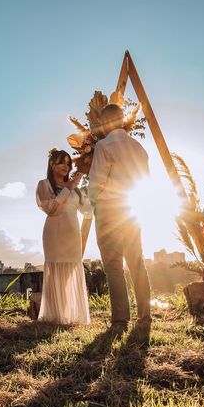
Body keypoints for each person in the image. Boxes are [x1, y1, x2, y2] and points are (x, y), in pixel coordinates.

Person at [88, 104, 152, 328]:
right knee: (137, 263)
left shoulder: (104, 146)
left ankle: (120, 319)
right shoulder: (139, 147)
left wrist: (93, 203)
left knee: (114, 265)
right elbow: (145, 181)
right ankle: (145, 316)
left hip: (109, 212)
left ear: (106, 123)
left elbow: (96, 183)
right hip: (132, 211)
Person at [35, 149, 91, 325]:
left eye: (68, 163)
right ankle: (54, 317)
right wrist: (70, 186)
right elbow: (51, 208)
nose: (66, 166)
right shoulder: (44, 185)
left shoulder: (75, 190)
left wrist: (92, 193)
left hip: (72, 236)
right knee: (55, 275)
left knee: (69, 273)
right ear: (52, 164)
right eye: (62, 162)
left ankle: (69, 316)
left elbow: (88, 212)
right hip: (54, 234)